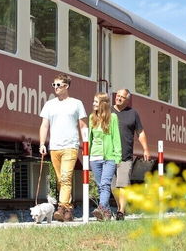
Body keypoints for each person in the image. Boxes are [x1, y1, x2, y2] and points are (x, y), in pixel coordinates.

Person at [39, 73, 87, 222]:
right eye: (54, 85)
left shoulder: (76, 103)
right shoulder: (49, 104)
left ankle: (61, 207)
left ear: (66, 86)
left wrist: (86, 144)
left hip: (70, 146)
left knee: (66, 178)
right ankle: (69, 210)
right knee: (61, 180)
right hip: (54, 147)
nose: (55, 88)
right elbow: (44, 125)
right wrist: (42, 143)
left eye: (58, 85)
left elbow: (83, 125)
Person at [111, 89, 150, 221]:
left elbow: (141, 132)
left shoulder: (133, 114)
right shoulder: (108, 111)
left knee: (123, 185)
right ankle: (120, 207)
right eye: (118, 96)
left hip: (125, 155)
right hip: (109, 155)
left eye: (122, 97)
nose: (119, 99)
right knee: (112, 187)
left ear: (127, 100)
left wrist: (145, 149)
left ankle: (121, 211)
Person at [89, 92, 122, 221]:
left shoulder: (112, 117)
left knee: (105, 184)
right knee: (100, 185)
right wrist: (87, 155)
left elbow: (116, 137)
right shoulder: (92, 117)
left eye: (96, 102)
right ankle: (107, 213)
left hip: (109, 157)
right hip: (95, 157)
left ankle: (102, 208)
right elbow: (89, 138)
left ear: (103, 104)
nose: (93, 104)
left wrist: (117, 156)